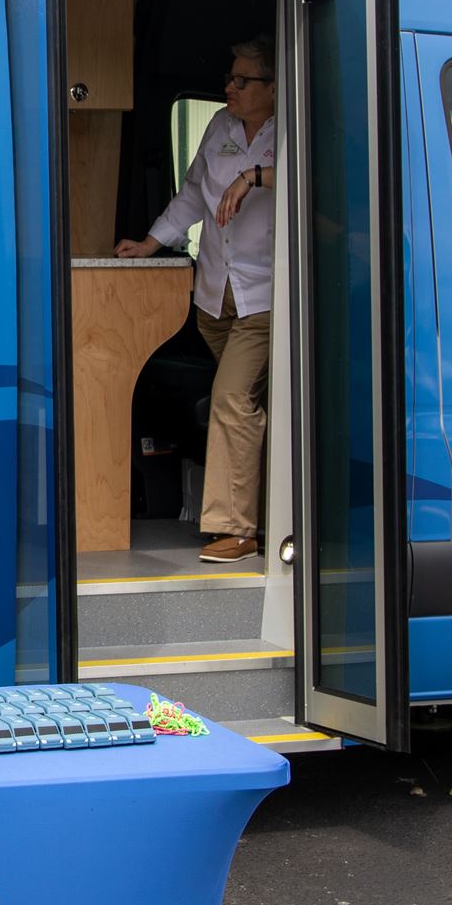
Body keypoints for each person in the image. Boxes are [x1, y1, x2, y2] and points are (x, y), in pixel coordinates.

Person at [115, 37, 277, 562]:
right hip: (215, 298)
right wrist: (151, 243)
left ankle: (238, 529)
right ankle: (277, 508)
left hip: (267, 299)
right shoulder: (219, 128)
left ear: (273, 88)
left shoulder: (295, 127)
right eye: (230, 79)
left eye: (241, 80)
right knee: (252, 405)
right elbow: (190, 194)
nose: (229, 87)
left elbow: (318, 178)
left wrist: (255, 178)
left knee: (231, 400)